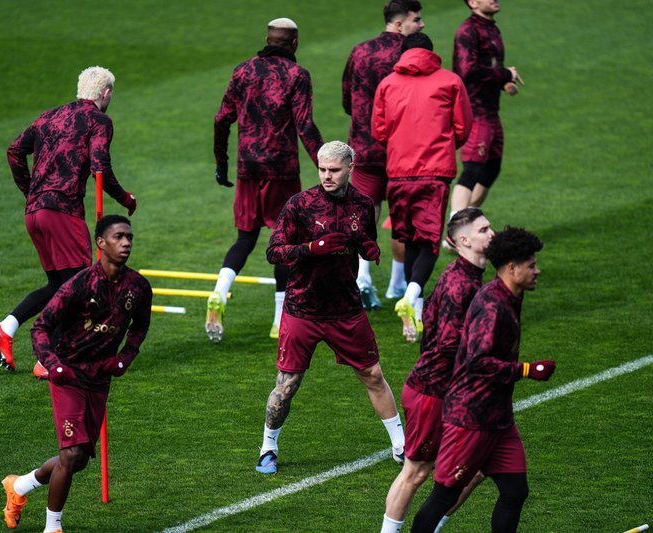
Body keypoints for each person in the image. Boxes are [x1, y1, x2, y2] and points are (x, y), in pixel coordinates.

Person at [256, 141, 404, 475]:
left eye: (334, 170)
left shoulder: (362, 205)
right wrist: (311, 248)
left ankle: (400, 446)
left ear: (351, 168)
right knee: (287, 384)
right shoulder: (300, 204)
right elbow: (274, 252)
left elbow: (362, 240)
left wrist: (368, 248)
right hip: (302, 308)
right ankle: (268, 447)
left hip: (345, 309)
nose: (326, 176)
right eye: (322, 169)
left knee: (373, 374)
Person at [0, 214, 151, 532]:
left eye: (129, 237)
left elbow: (140, 326)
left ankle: (20, 485)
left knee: (79, 458)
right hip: (68, 377)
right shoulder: (79, 285)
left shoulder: (138, 287)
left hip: (100, 379)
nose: (126, 243)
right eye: (119, 237)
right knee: (70, 454)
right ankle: (52, 527)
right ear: (101, 243)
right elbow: (41, 327)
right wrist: (52, 364)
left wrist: (125, 357)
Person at [0, 66, 137, 378]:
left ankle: (6, 328)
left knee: (59, 285)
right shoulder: (99, 121)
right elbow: (101, 167)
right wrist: (125, 199)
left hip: (35, 213)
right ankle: (48, 361)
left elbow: (14, 151)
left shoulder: (49, 116)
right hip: (63, 211)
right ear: (106, 93)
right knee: (80, 286)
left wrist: (31, 192)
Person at [411, 226, 556, 533]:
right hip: (470, 419)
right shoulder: (492, 305)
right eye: (532, 265)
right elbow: (477, 361)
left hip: (498, 419)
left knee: (515, 491)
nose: (537, 271)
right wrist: (527, 370)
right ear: (512, 268)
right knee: (444, 496)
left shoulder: (512, 295)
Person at [210, 17, 324, 342]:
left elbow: (221, 119)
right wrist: (327, 166)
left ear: (267, 39)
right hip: (281, 170)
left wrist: (222, 163)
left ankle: (219, 292)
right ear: (294, 42)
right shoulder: (298, 75)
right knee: (285, 242)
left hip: (247, 168)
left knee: (245, 239)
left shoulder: (243, 71)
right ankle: (278, 320)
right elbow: (305, 126)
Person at [381, 208, 493, 532]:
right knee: (416, 472)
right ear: (464, 241)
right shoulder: (461, 284)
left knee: (482, 464)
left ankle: (430, 525)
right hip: (433, 391)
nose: (492, 234)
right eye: (484, 230)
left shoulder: (465, 275)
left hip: (450, 390)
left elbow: (429, 314)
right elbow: (447, 345)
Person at [372, 33, 472, 342]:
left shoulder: (387, 84)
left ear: (402, 52)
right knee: (429, 241)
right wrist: (441, 146)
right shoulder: (450, 81)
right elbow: (463, 128)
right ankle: (410, 297)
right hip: (434, 172)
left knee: (410, 240)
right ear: (431, 52)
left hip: (398, 173)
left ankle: (414, 309)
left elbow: (379, 130)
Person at [342, 0, 424, 310]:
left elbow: (347, 99)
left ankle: (362, 277)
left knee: (366, 211)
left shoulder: (360, 51)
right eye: (416, 19)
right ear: (400, 24)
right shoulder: (411, 54)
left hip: (364, 147)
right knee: (403, 215)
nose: (421, 25)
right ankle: (397, 284)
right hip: (401, 149)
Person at [448, 0, 523, 218]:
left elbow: (489, 67)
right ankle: (456, 228)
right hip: (473, 111)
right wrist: (505, 74)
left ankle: (467, 221)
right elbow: (467, 71)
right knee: (472, 169)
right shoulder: (468, 30)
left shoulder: (492, 28)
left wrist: (503, 82)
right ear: (473, 2)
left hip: (491, 111)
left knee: (491, 168)